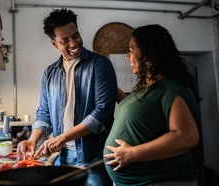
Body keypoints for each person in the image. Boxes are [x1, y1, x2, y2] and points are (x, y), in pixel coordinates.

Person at [17, 8, 117, 186]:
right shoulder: (49, 73)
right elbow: (44, 114)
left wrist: (62, 138)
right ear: (54, 43)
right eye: (65, 40)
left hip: (93, 158)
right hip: (61, 159)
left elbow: (103, 113)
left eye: (76, 36)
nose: (73, 43)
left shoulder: (100, 65)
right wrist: (33, 140)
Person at [103, 24, 202, 186]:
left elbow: (186, 136)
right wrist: (109, 88)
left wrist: (132, 154)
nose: (127, 56)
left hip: (161, 181)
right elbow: (141, 114)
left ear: (149, 53)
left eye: (131, 49)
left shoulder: (172, 87)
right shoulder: (147, 90)